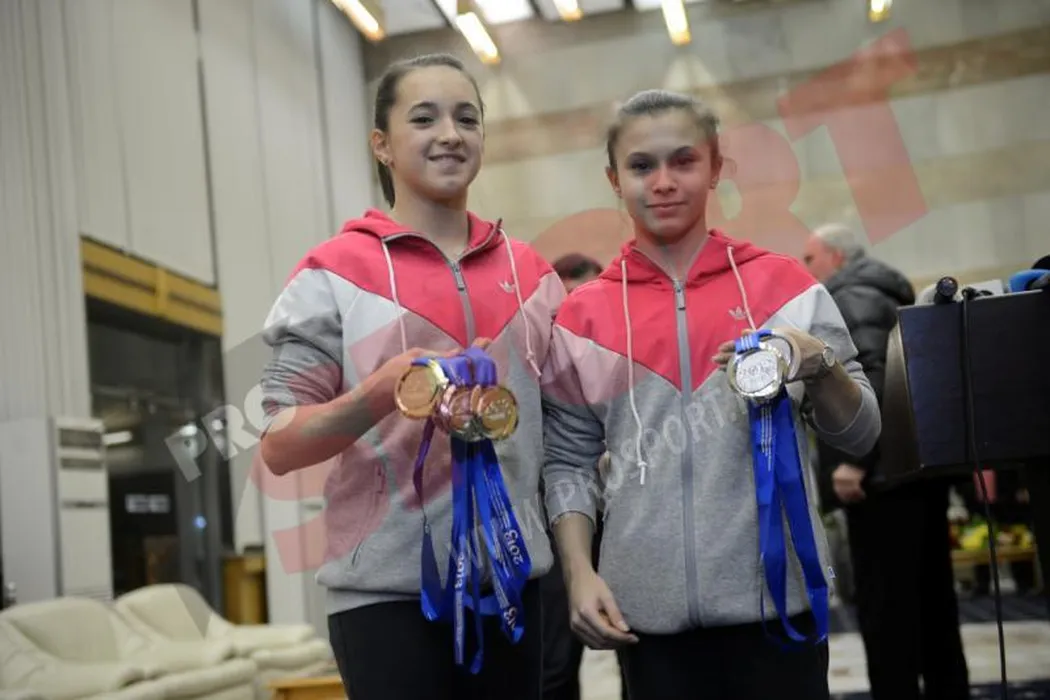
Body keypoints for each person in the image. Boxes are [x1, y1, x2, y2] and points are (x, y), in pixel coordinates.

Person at [540, 89, 882, 699]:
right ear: (614, 179)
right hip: (647, 621)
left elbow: (861, 433)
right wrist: (579, 572)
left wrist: (819, 362)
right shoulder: (581, 316)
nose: (663, 182)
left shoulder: (786, 286)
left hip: (779, 607)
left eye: (684, 161)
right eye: (642, 166)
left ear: (716, 166)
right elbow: (566, 461)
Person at [257, 53, 565, 700]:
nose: (450, 134)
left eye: (466, 119)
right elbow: (280, 444)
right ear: (382, 144)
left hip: (513, 585)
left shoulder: (534, 276)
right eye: (424, 119)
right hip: (385, 598)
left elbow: (570, 435)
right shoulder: (332, 274)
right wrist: (380, 393)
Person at [803, 224, 970, 700]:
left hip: (881, 480)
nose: (806, 269)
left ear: (836, 257)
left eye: (810, 259)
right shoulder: (884, 290)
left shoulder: (851, 296)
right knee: (932, 604)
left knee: (888, 612)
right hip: (914, 471)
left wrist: (853, 460)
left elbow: (872, 378)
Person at [542, 254, 623, 700]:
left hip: (627, 516)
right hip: (556, 516)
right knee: (554, 664)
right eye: (567, 300)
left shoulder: (625, 350)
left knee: (638, 644)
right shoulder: (543, 357)